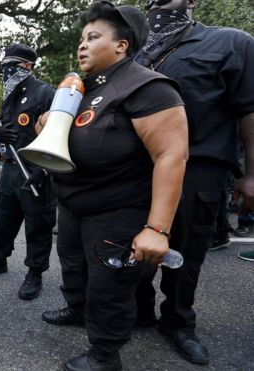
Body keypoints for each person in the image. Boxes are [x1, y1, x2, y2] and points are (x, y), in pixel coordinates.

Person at [40, 2, 189, 369]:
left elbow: (171, 156)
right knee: (74, 267)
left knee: (108, 285)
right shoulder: (83, 90)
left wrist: (157, 229)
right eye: (81, 39)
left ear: (122, 46)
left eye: (93, 37)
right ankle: (77, 310)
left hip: (117, 210)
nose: (82, 46)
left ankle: (105, 354)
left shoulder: (147, 87)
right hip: (76, 204)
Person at [135, 0, 254, 365]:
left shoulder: (231, 43)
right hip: (138, 169)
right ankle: (139, 312)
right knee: (135, 246)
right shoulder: (134, 50)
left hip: (200, 167)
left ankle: (178, 321)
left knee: (186, 253)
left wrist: (252, 173)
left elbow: (248, 109)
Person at [0, 43, 57, 301]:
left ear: (27, 66)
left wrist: (44, 170)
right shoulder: (9, 94)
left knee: (38, 223)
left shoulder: (46, 93)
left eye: (11, 66)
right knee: (5, 216)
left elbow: (57, 134)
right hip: (10, 167)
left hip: (35, 170)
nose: (6, 72)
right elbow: (4, 127)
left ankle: (35, 271)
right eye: (4, 67)